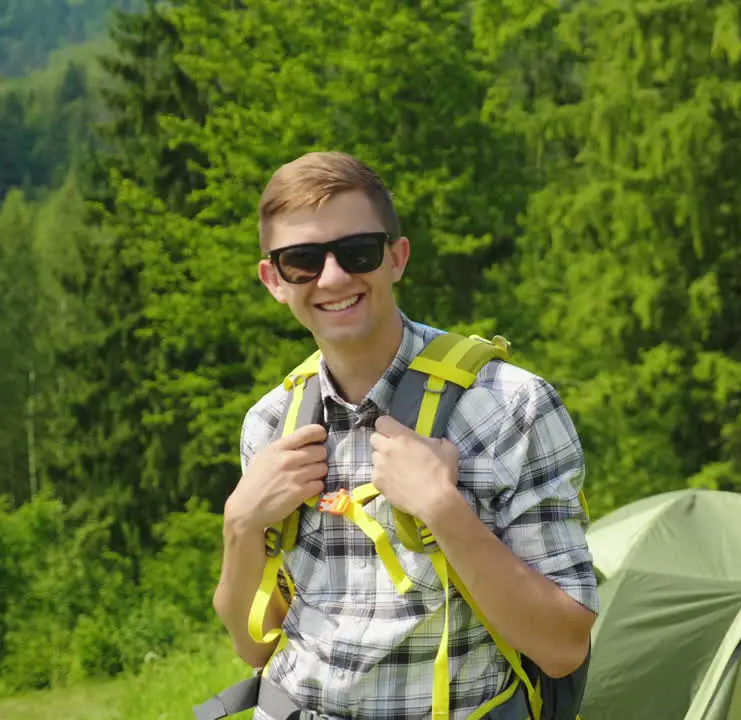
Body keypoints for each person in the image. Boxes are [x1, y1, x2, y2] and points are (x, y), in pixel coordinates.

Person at [212, 151, 598, 720]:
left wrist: (444, 510)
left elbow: (564, 648)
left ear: (397, 257)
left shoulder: (511, 406)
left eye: (358, 252)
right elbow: (255, 646)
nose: (334, 277)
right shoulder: (272, 423)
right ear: (274, 280)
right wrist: (240, 524)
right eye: (302, 261)